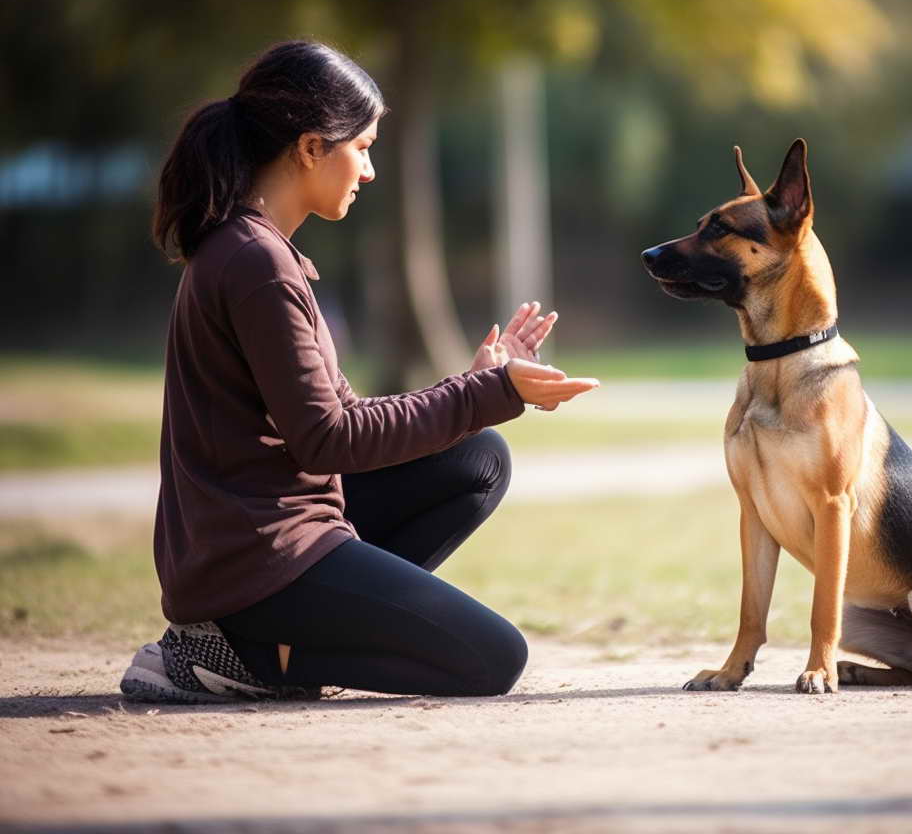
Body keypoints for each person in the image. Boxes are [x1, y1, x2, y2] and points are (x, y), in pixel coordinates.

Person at [119, 41, 598, 704]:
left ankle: (279, 645)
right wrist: (489, 392)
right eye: (364, 146)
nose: (369, 169)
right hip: (253, 563)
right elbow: (331, 440)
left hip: (272, 541)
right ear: (313, 147)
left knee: (477, 459)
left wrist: (480, 383)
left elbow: (337, 417)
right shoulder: (256, 263)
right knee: (491, 660)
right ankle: (234, 654)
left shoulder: (258, 251)